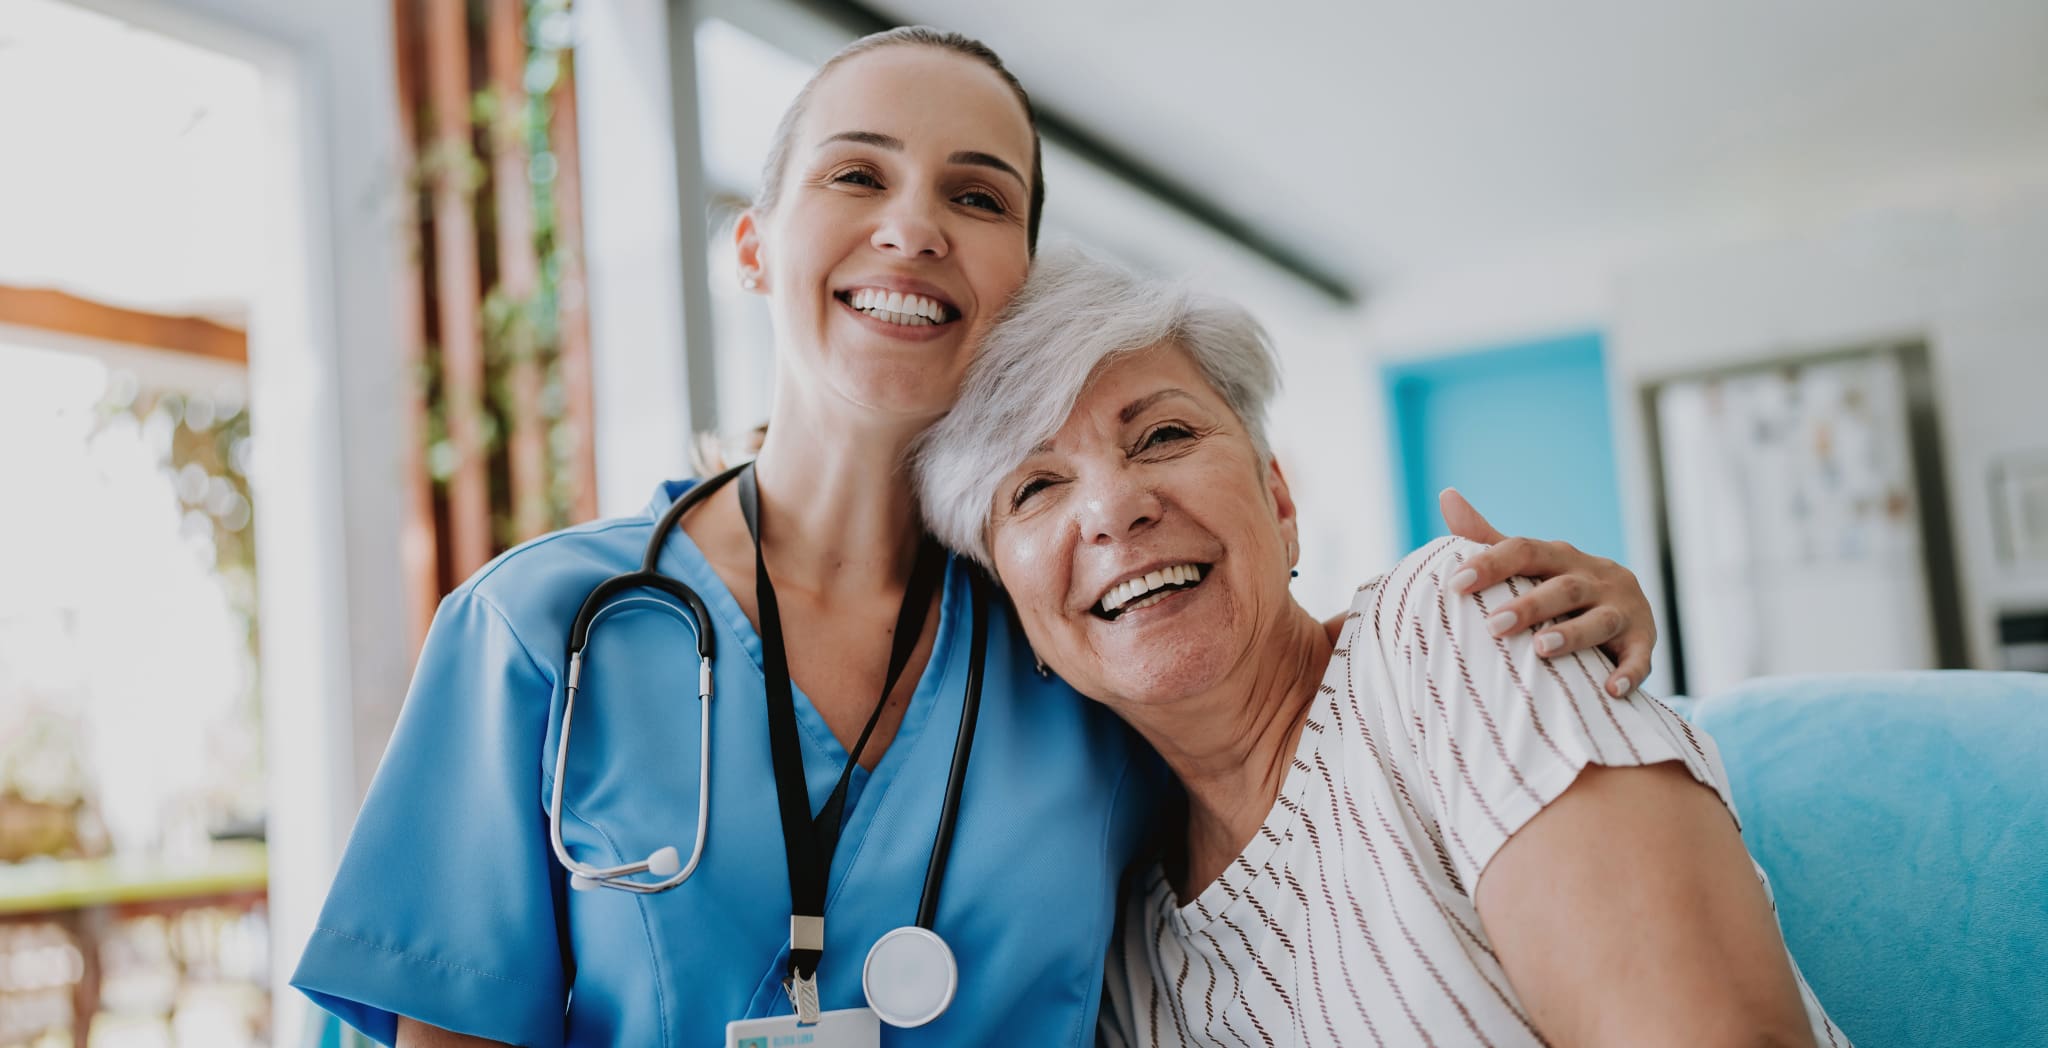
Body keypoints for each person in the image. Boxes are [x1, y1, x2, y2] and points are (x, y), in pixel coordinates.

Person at [293, 28, 1664, 1048]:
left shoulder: (1070, 634)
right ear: (758, 245)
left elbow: (1300, 733)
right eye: (857, 175)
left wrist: (1522, 624)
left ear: (1017, 279)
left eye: (978, 194)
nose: (913, 226)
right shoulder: (542, 632)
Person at [913, 250, 1849, 1047]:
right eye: (1035, 488)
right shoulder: (1119, 953)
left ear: (1278, 503)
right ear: (1012, 604)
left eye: (1162, 434)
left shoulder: (1453, 630)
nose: (1114, 506)